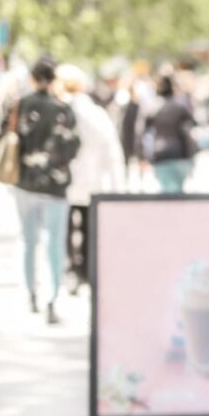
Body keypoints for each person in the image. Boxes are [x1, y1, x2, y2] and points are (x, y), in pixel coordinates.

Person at [4, 57, 81, 324]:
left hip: (25, 181)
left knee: (28, 240)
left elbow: (8, 138)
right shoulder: (63, 109)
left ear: (33, 79)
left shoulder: (22, 105)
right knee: (55, 243)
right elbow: (73, 147)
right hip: (55, 184)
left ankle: (30, 293)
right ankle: (52, 298)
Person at [56, 64, 126, 292]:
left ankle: (69, 269)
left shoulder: (58, 110)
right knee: (87, 226)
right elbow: (112, 150)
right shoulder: (95, 112)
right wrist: (117, 185)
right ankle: (85, 269)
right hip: (91, 180)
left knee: (64, 227)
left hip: (63, 181)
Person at [142, 75, 196, 193]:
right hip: (178, 153)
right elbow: (187, 133)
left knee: (166, 191)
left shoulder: (152, 108)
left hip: (160, 154)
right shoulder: (180, 108)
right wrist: (191, 157)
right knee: (177, 191)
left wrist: (143, 155)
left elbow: (143, 134)